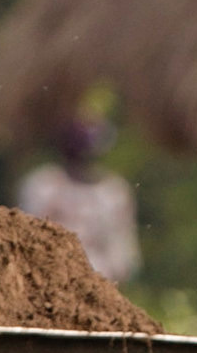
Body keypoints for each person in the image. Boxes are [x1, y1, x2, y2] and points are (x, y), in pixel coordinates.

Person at [15, 115, 144, 288]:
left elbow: (121, 251)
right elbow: (26, 236)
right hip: (48, 278)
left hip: (98, 280)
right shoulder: (44, 185)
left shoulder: (113, 193)